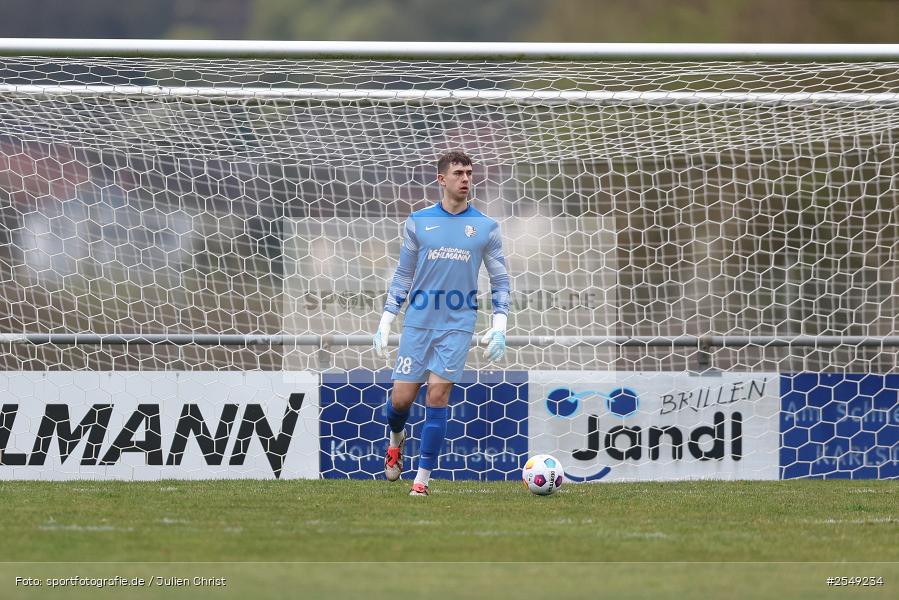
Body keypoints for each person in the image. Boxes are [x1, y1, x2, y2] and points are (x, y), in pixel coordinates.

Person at [372, 150, 510, 496]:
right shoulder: (419, 221)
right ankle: (396, 438)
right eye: (459, 173)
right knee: (401, 401)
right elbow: (404, 274)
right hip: (419, 322)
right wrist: (386, 320)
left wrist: (500, 324)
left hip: (458, 323)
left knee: (437, 395)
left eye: (470, 173)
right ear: (441, 179)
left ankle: (421, 480)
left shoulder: (485, 227)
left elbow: (501, 280)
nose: (466, 179)